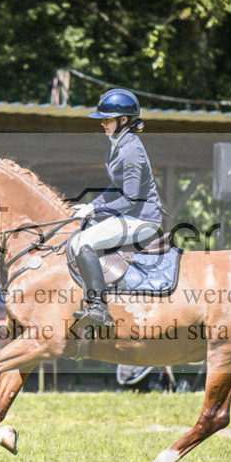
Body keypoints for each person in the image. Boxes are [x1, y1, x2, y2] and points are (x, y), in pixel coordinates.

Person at [70, 88, 164, 327]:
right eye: (102, 119)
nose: (102, 123)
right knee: (78, 237)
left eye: (107, 119)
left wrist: (95, 212)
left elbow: (131, 199)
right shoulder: (118, 143)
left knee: (85, 243)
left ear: (124, 120)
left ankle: (99, 309)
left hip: (142, 219)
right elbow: (116, 185)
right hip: (129, 215)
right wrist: (92, 204)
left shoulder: (132, 150)